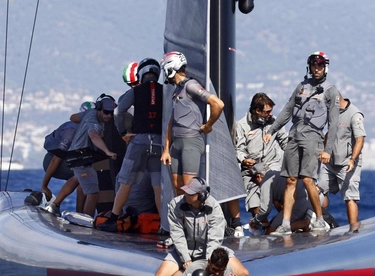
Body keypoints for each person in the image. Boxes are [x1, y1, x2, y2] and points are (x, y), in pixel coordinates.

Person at [153, 177, 266, 276]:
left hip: (210, 253)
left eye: (190, 193)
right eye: (185, 191)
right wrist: (185, 258)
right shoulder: (176, 204)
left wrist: (207, 263)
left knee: (245, 275)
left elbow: (215, 238)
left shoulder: (214, 207)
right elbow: (177, 234)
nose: (186, 194)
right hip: (183, 251)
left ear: (201, 195)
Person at [263, 51, 340, 235]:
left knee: (307, 179)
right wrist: (272, 130)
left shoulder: (331, 91)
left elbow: (334, 123)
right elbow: (287, 110)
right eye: (314, 65)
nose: (316, 68)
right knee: (290, 180)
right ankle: (286, 223)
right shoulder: (301, 86)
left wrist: (328, 150)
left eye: (320, 65)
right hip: (294, 134)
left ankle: (320, 219)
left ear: (325, 67)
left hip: (313, 137)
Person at [97, 58, 163, 232]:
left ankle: (113, 218)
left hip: (138, 141)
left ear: (141, 74)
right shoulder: (165, 91)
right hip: (158, 143)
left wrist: (123, 133)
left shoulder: (136, 91)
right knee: (158, 186)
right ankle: (165, 225)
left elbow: (119, 112)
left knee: (125, 181)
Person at [159, 51, 224, 195]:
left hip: (191, 142)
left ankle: (195, 216)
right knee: (177, 186)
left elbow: (218, 104)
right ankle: (181, 217)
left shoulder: (190, 85)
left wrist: (208, 125)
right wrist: (166, 150)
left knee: (190, 189)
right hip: (176, 144)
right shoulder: (177, 89)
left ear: (171, 67)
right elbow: (172, 121)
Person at [60, 94, 117, 218]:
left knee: (83, 185)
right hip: (81, 158)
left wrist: (83, 123)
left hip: (78, 156)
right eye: (106, 112)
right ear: (100, 109)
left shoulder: (89, 113)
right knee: (93, 194)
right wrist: (107, 151)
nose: (109, 116)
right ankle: (86, 221)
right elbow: (93, 135)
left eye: (111, 113)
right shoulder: (93, 121)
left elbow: (73, 117)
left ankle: (61, 206)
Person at [235, 93, 288, 216]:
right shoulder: (242, 126)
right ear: (257, 111)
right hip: (251, 169)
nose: (270, 114)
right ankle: (260, 224)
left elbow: (285, 142)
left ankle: (287, 221)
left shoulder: (275, 122)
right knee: (254, 201)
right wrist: (244, 160)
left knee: (280, 193)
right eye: (267, 112)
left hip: (271, 164)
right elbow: (239, 149)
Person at [318, 94, 366, 232]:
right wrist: (322, 149)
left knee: (350, 197)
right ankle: (323, 223)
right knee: (319, 191)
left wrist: (352, 159)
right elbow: (330, 133)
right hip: (330, 162)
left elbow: (360, 140)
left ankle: (353, 230)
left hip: (347, 162)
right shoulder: (332, 113)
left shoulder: (354, 114)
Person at [43, 101, 95, 215]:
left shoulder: (91, 128)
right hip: (53, 161)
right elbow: (56, 158)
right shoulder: (71, 131)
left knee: (86, 174)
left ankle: (80, 214)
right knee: (82, 174)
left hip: (70, 160)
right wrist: (45, 186)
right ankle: (55, 205)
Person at [248, 163, 325, 235]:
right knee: (278, 223)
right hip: (317, 198)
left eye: (254, 180)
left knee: (270, 233)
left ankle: (304, 223)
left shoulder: (265, 182)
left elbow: (265, 210)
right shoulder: (277, 173)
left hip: (302, 202)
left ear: (259, 177)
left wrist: (255, 221)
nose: (256, 184)